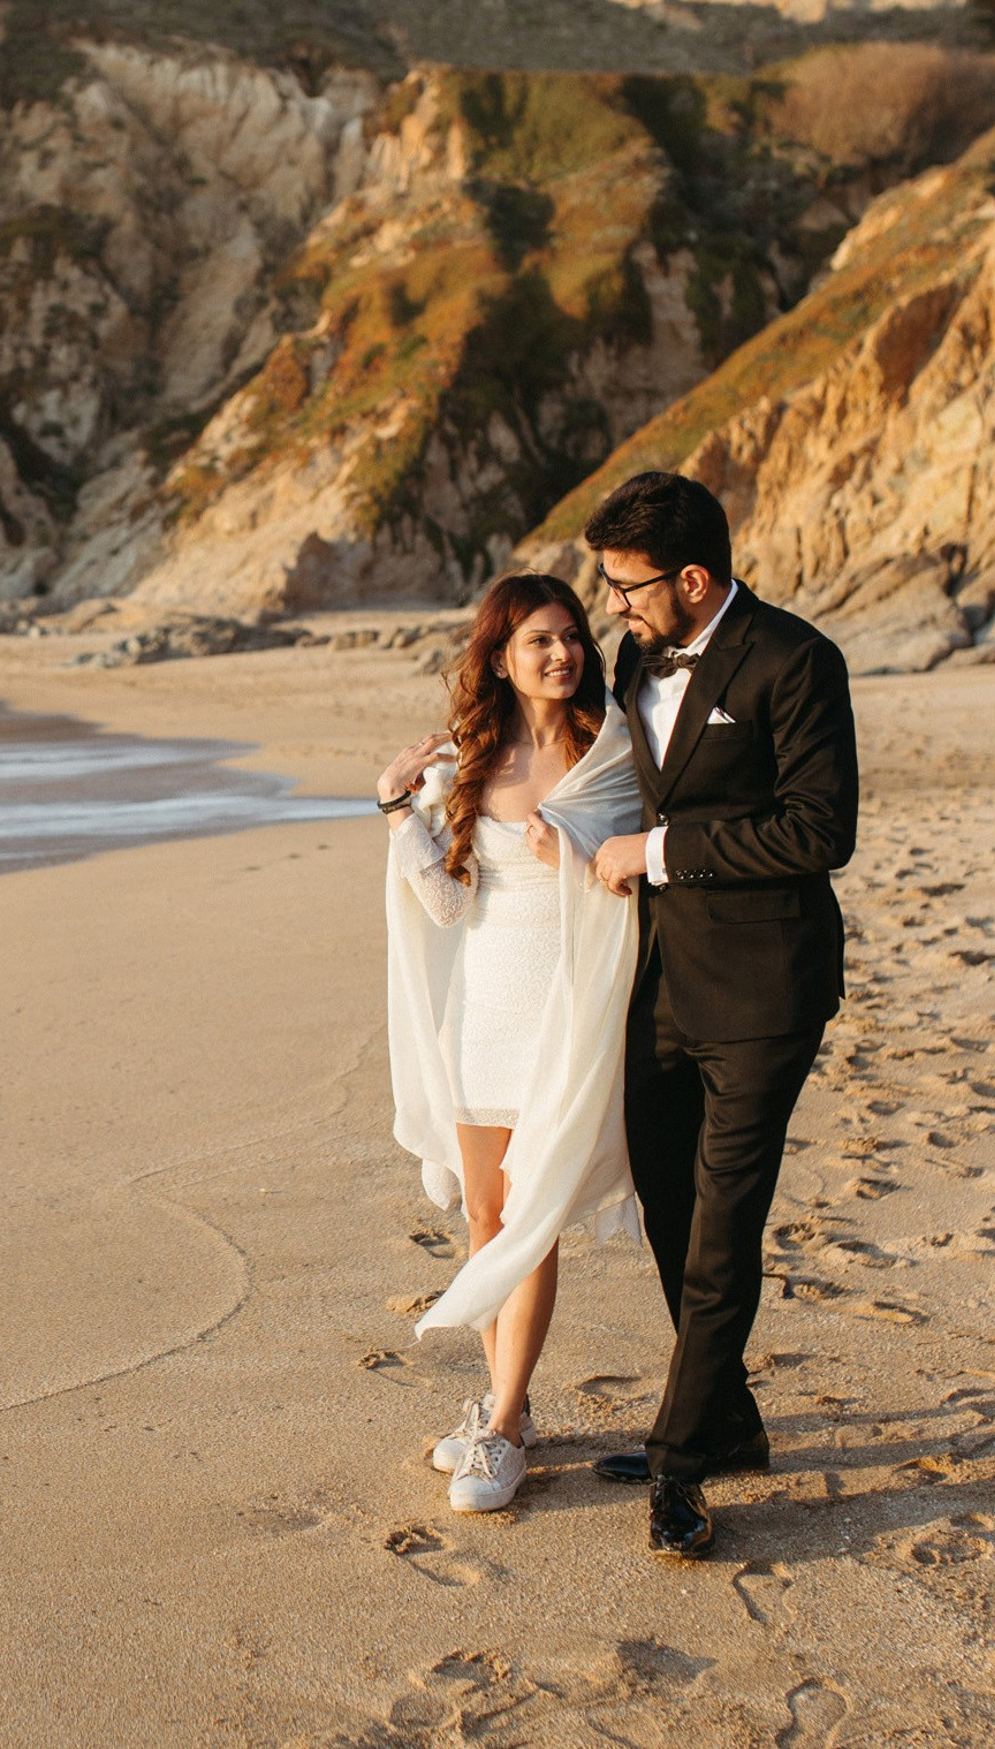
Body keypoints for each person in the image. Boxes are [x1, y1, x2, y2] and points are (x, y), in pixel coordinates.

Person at [583, 472, 859, 1559]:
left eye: (626, 584)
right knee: (665, 1202)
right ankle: (729, 1419)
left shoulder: (797, 661)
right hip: (660, 984)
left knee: (723, 1226)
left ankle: (681, 1460)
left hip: (764, 991)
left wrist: (656, 856)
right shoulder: (634, 656)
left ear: (692, 579)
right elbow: (606, 776)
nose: (612, 603)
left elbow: (818, 832)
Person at [378, 571, 642, 1515]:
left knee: (530, 1227)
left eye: (572, 635)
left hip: (564, 1021)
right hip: (483, 1019)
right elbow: (451, 906)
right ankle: (511, 1417)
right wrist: (396, 810)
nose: (563, 653)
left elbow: (634, 887)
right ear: (500, 657)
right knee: (487, 1221)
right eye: (539, 640)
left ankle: (500, 1424)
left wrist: (570, 861)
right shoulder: (471, 763)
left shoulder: (612, 753)